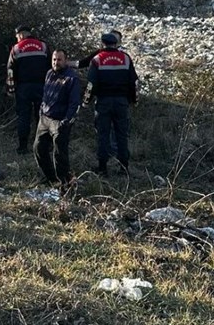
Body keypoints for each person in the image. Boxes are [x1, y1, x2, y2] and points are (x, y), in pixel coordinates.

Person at [85, 33, 140, 176]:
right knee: (121, 134)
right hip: (121, 102)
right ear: (116, 44)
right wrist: (134, 100)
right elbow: (133, 83)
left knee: (103, 134)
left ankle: (102, 168)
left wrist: (86, 101)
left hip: (103, 101)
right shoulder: (126, 58)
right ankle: (124, 167)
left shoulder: (97, 60)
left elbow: (91, 84)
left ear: (102, 44)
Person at [34, 50, 83, 196]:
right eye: (54, 60)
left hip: (60, 121)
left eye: (59, 60)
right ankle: (51, 179)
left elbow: (75, 103)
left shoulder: (71, 78)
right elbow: (46, 94)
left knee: (60, 155)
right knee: (38, 148)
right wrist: (41, 111)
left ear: (65, 61)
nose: (56, 62)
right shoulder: (49, 73)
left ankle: (66, 186)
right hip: (45, 119)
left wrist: (66, 120)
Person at [7, 25, 52, 153]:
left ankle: (23, 147)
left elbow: (10, 71)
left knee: (23, 117)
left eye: (17, 37)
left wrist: (11, 89)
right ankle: (44, 146)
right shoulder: (43, 46)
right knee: (42, 117)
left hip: (23, 88)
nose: (17, 39)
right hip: (42, 87)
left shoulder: (16, 49)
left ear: (21, 34)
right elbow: (51, 66)